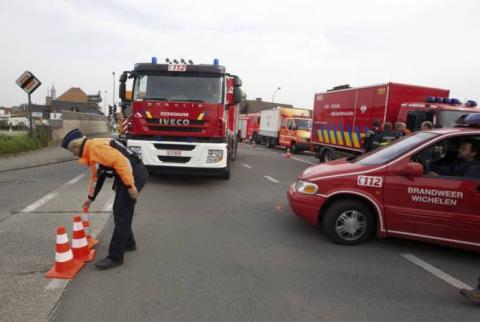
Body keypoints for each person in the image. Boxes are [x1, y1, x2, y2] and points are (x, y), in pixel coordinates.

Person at [61, 129, 148, 269]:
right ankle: (129, 243)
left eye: (73, 151)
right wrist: (91, 198)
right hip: (126, 176)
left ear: (77, 147)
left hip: (133, 174)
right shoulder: (91, 151)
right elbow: (97, 177)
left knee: (122, 214)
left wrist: (130, 186)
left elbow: (123, 162)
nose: (74, 155)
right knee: (120, 212)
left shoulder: (96, 148)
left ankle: (115, 257)